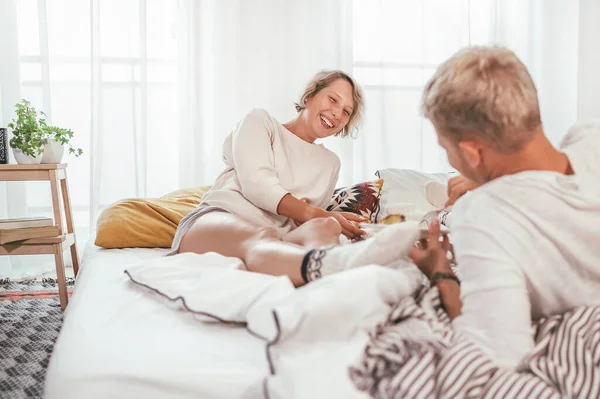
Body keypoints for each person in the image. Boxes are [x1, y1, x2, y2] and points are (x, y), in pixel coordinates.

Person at [409, 46, 600, 369]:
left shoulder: (483, 215)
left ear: (472, 152)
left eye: (447, 148)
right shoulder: (590, 135)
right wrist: (491, 178)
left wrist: (441, 273)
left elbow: (499, 355)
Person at [172, 70, 421, 286]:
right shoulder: (260, 122)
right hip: (220, 219)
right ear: (309, 96)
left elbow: (305, 219)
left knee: (327, 227)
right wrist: (319, 214)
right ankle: (332, 266)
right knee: (265, 237)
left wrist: (337, 223)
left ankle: (337, 271)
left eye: (346, 111)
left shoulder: (330, 164)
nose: (336, 113)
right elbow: (258, 185)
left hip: (278, 235)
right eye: (333, 99)